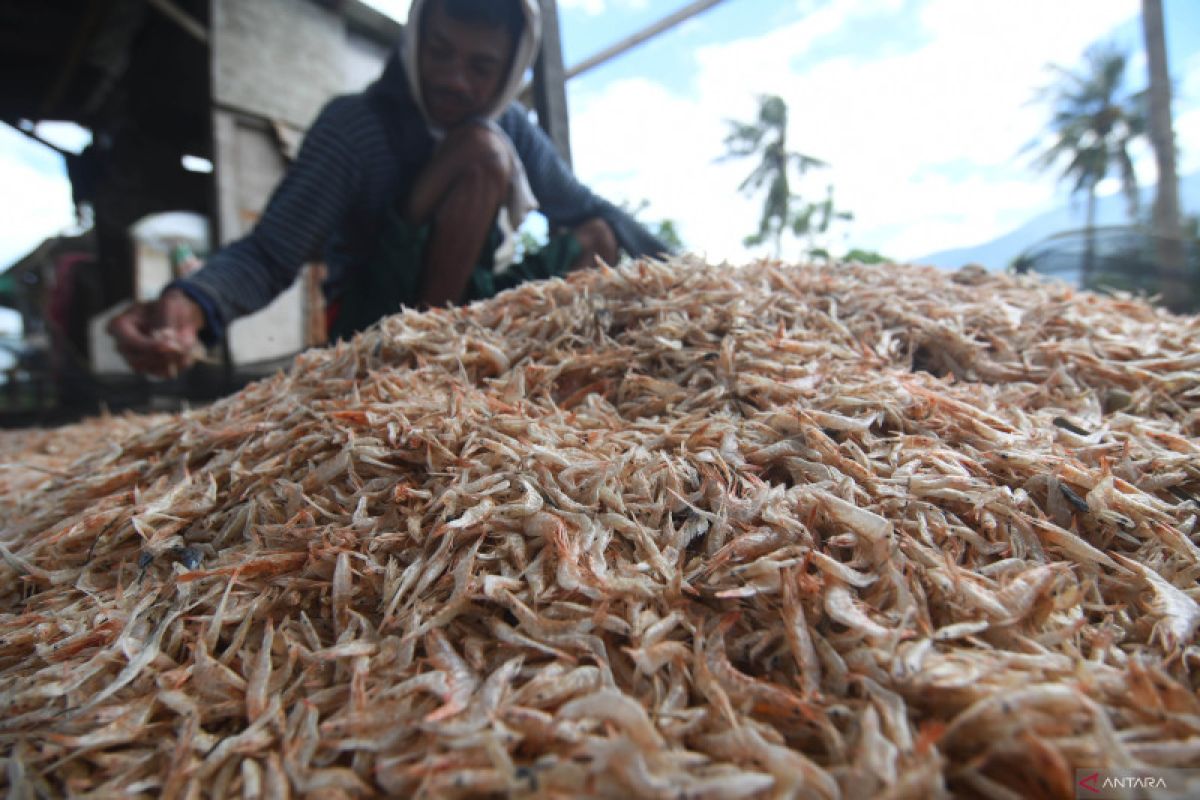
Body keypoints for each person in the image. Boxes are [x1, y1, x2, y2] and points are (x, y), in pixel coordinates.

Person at [109, 0, 669, 377]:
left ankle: (520, 374)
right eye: (441, 52)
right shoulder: (355, 128)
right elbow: (269, 252)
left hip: (482, 311)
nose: (455, 78)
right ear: (416, 39)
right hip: (382, 327)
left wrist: (685, 276)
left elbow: (585, 208)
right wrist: (191, 305)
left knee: (598, 235)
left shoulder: (515, 127)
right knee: (478, 151)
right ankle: (425, 371)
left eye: (481, 66)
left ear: (508, 71)